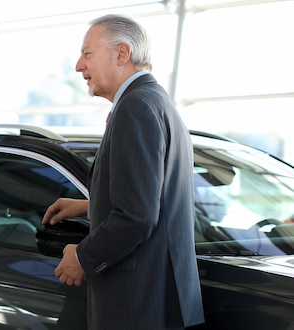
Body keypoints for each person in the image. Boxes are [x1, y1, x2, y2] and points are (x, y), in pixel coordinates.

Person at [42, 14, 204, 329]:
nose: (78, 66)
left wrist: (83, 258)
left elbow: (138, 215)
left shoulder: (135, 108)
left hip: (137, 304)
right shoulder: (157, 102)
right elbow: (156, 196)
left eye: (88, 53)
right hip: (158, 300)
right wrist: (91, 205)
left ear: (122, 54)